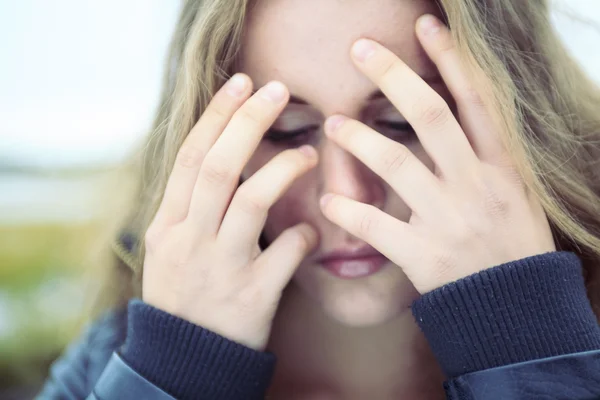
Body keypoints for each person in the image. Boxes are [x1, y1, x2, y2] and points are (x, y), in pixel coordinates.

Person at [37, 0, 600, 399]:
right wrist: (171, 377)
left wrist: (529, 347)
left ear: (521, 120)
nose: (346, 196)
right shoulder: (122, 353)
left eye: (400, 122)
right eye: (285, 128)